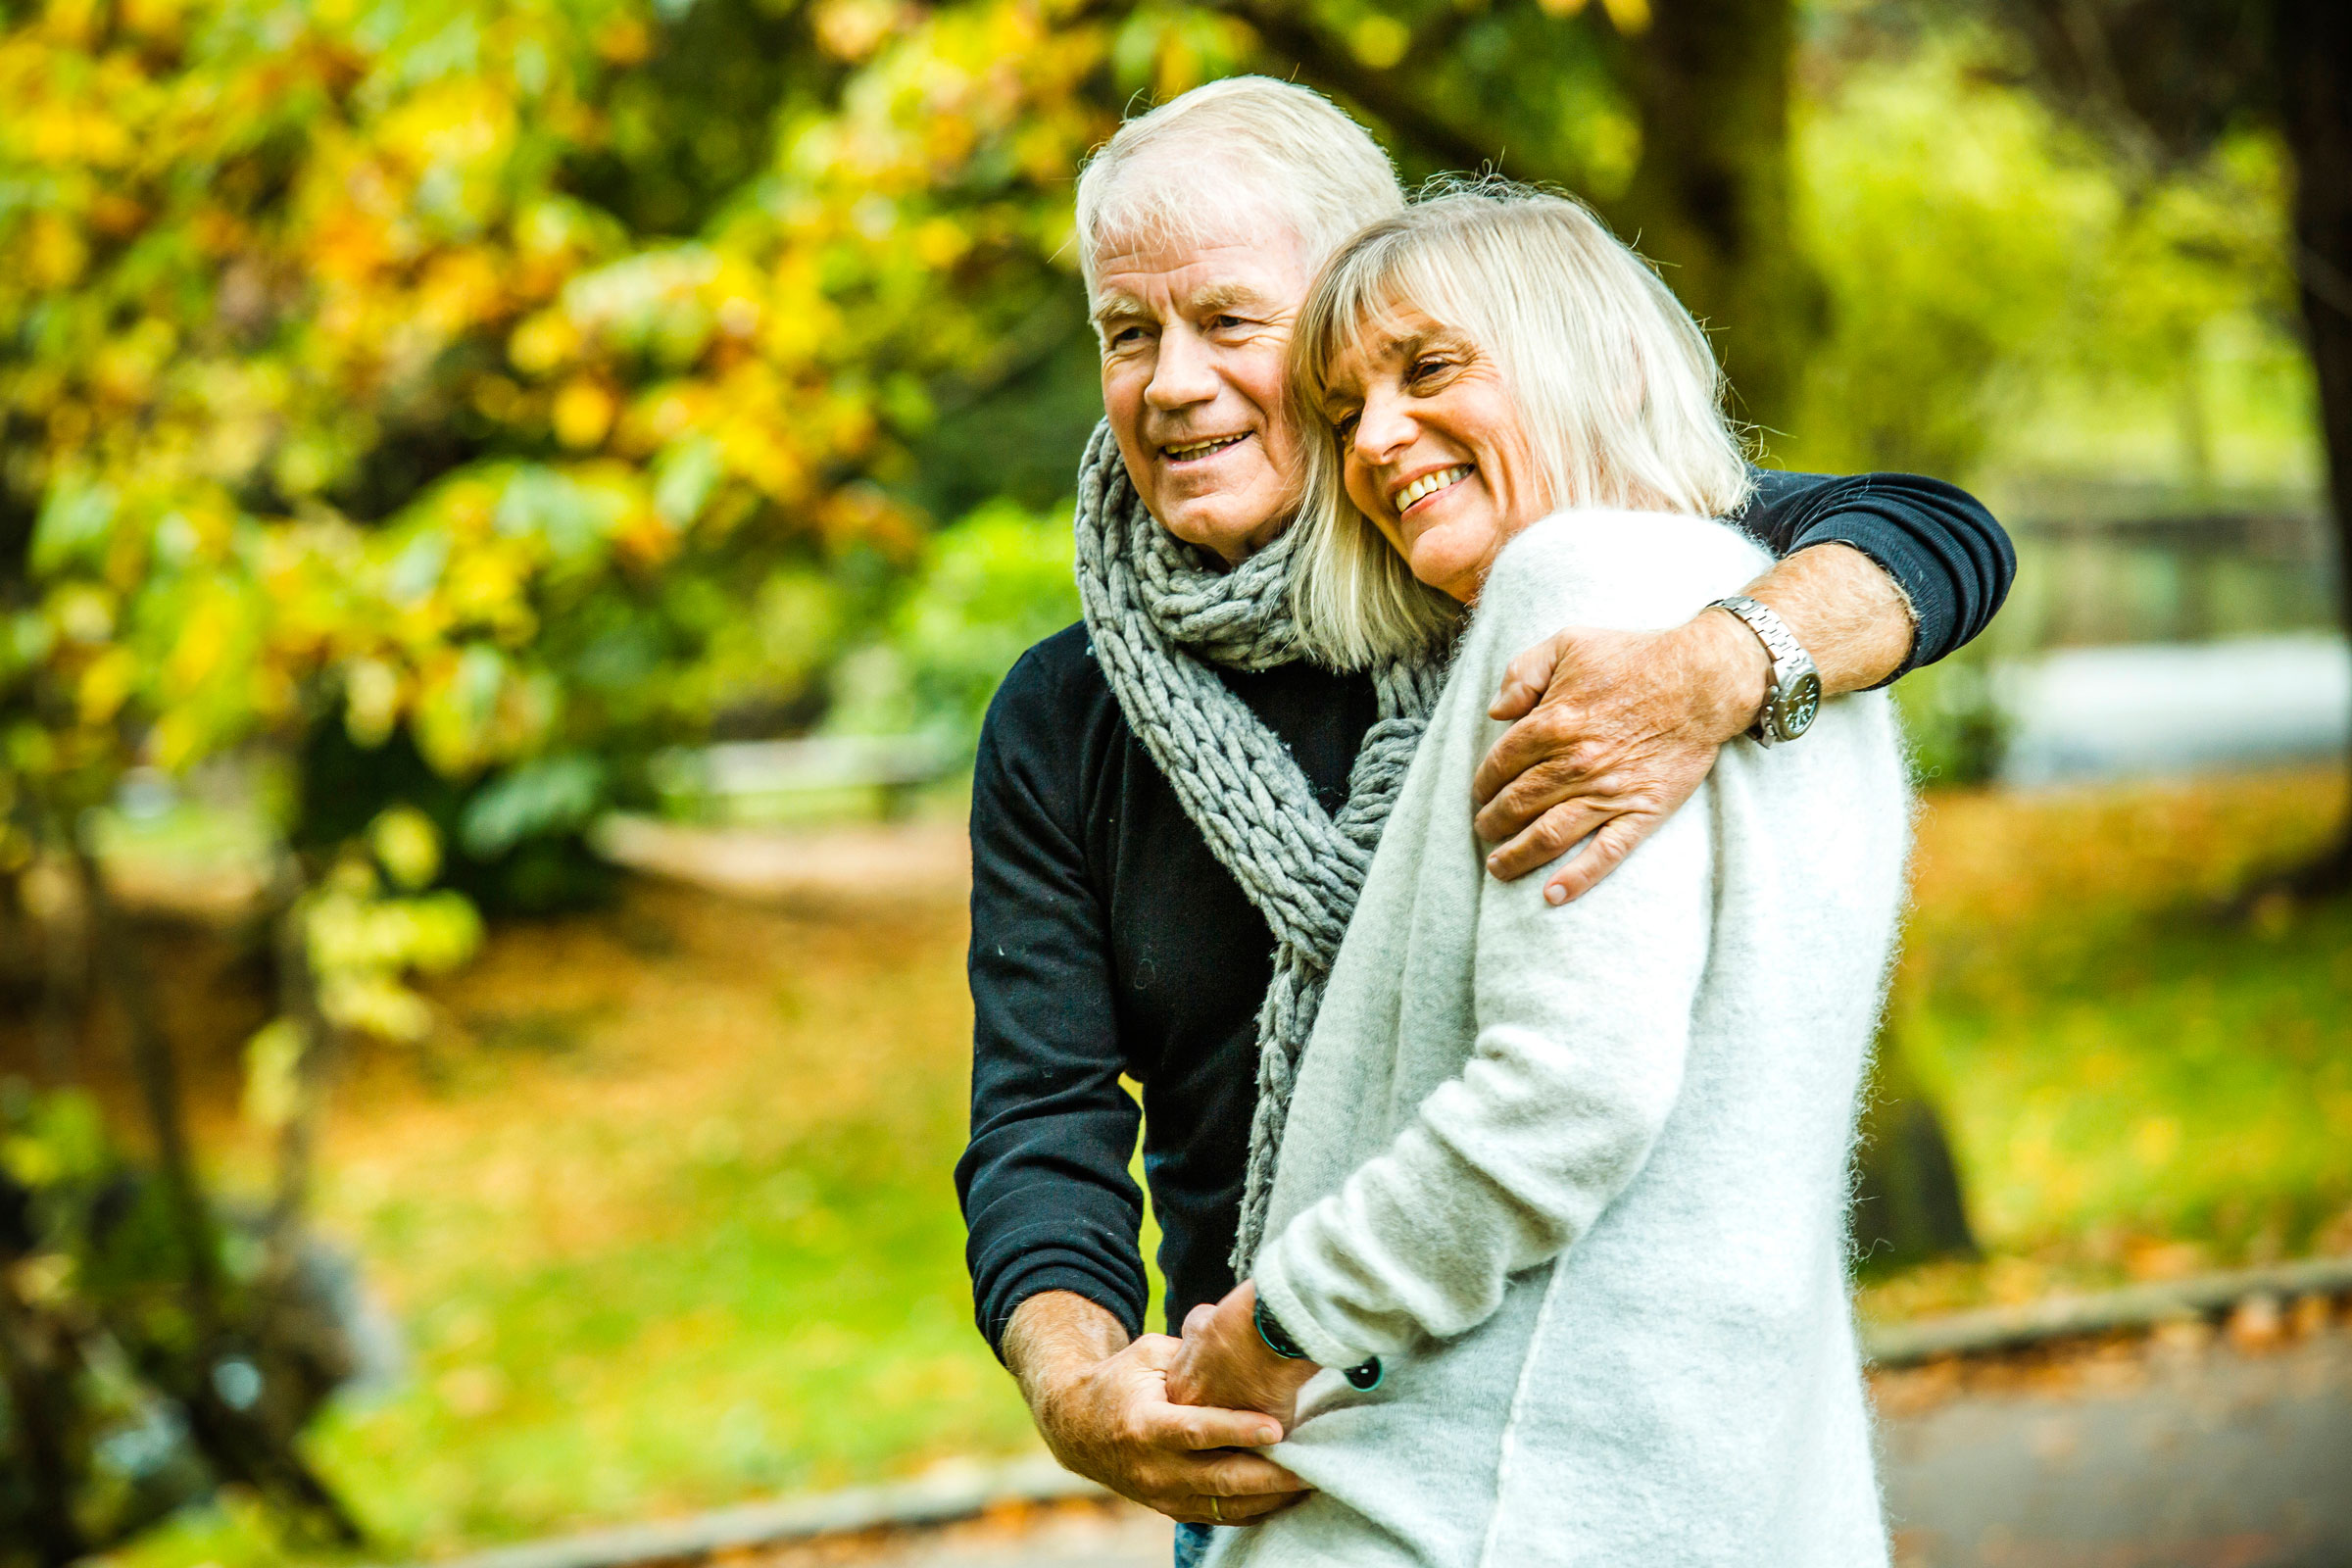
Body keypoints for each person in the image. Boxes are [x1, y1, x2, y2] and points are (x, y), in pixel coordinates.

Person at [955, 75, 2010, 1543]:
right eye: (1128, 334)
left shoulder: (1540, 554)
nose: (1172, 381)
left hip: (1539, 1441)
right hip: (1276, 1453)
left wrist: (1719, 665)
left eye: (1229, 321)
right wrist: (1081, 1390)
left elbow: (1935, 535)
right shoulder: (1066, 713)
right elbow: (1040, 1113)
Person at [1158, 182, 1906, 1567]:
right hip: (1705, 1489)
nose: (1377, 440)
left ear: (1583, 356)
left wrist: (1279, 1327)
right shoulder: (1799, 656)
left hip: (1484, 1500)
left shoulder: (1576, 583)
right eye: (1343, 409)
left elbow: (1565, 1095)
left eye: (1429, 368)